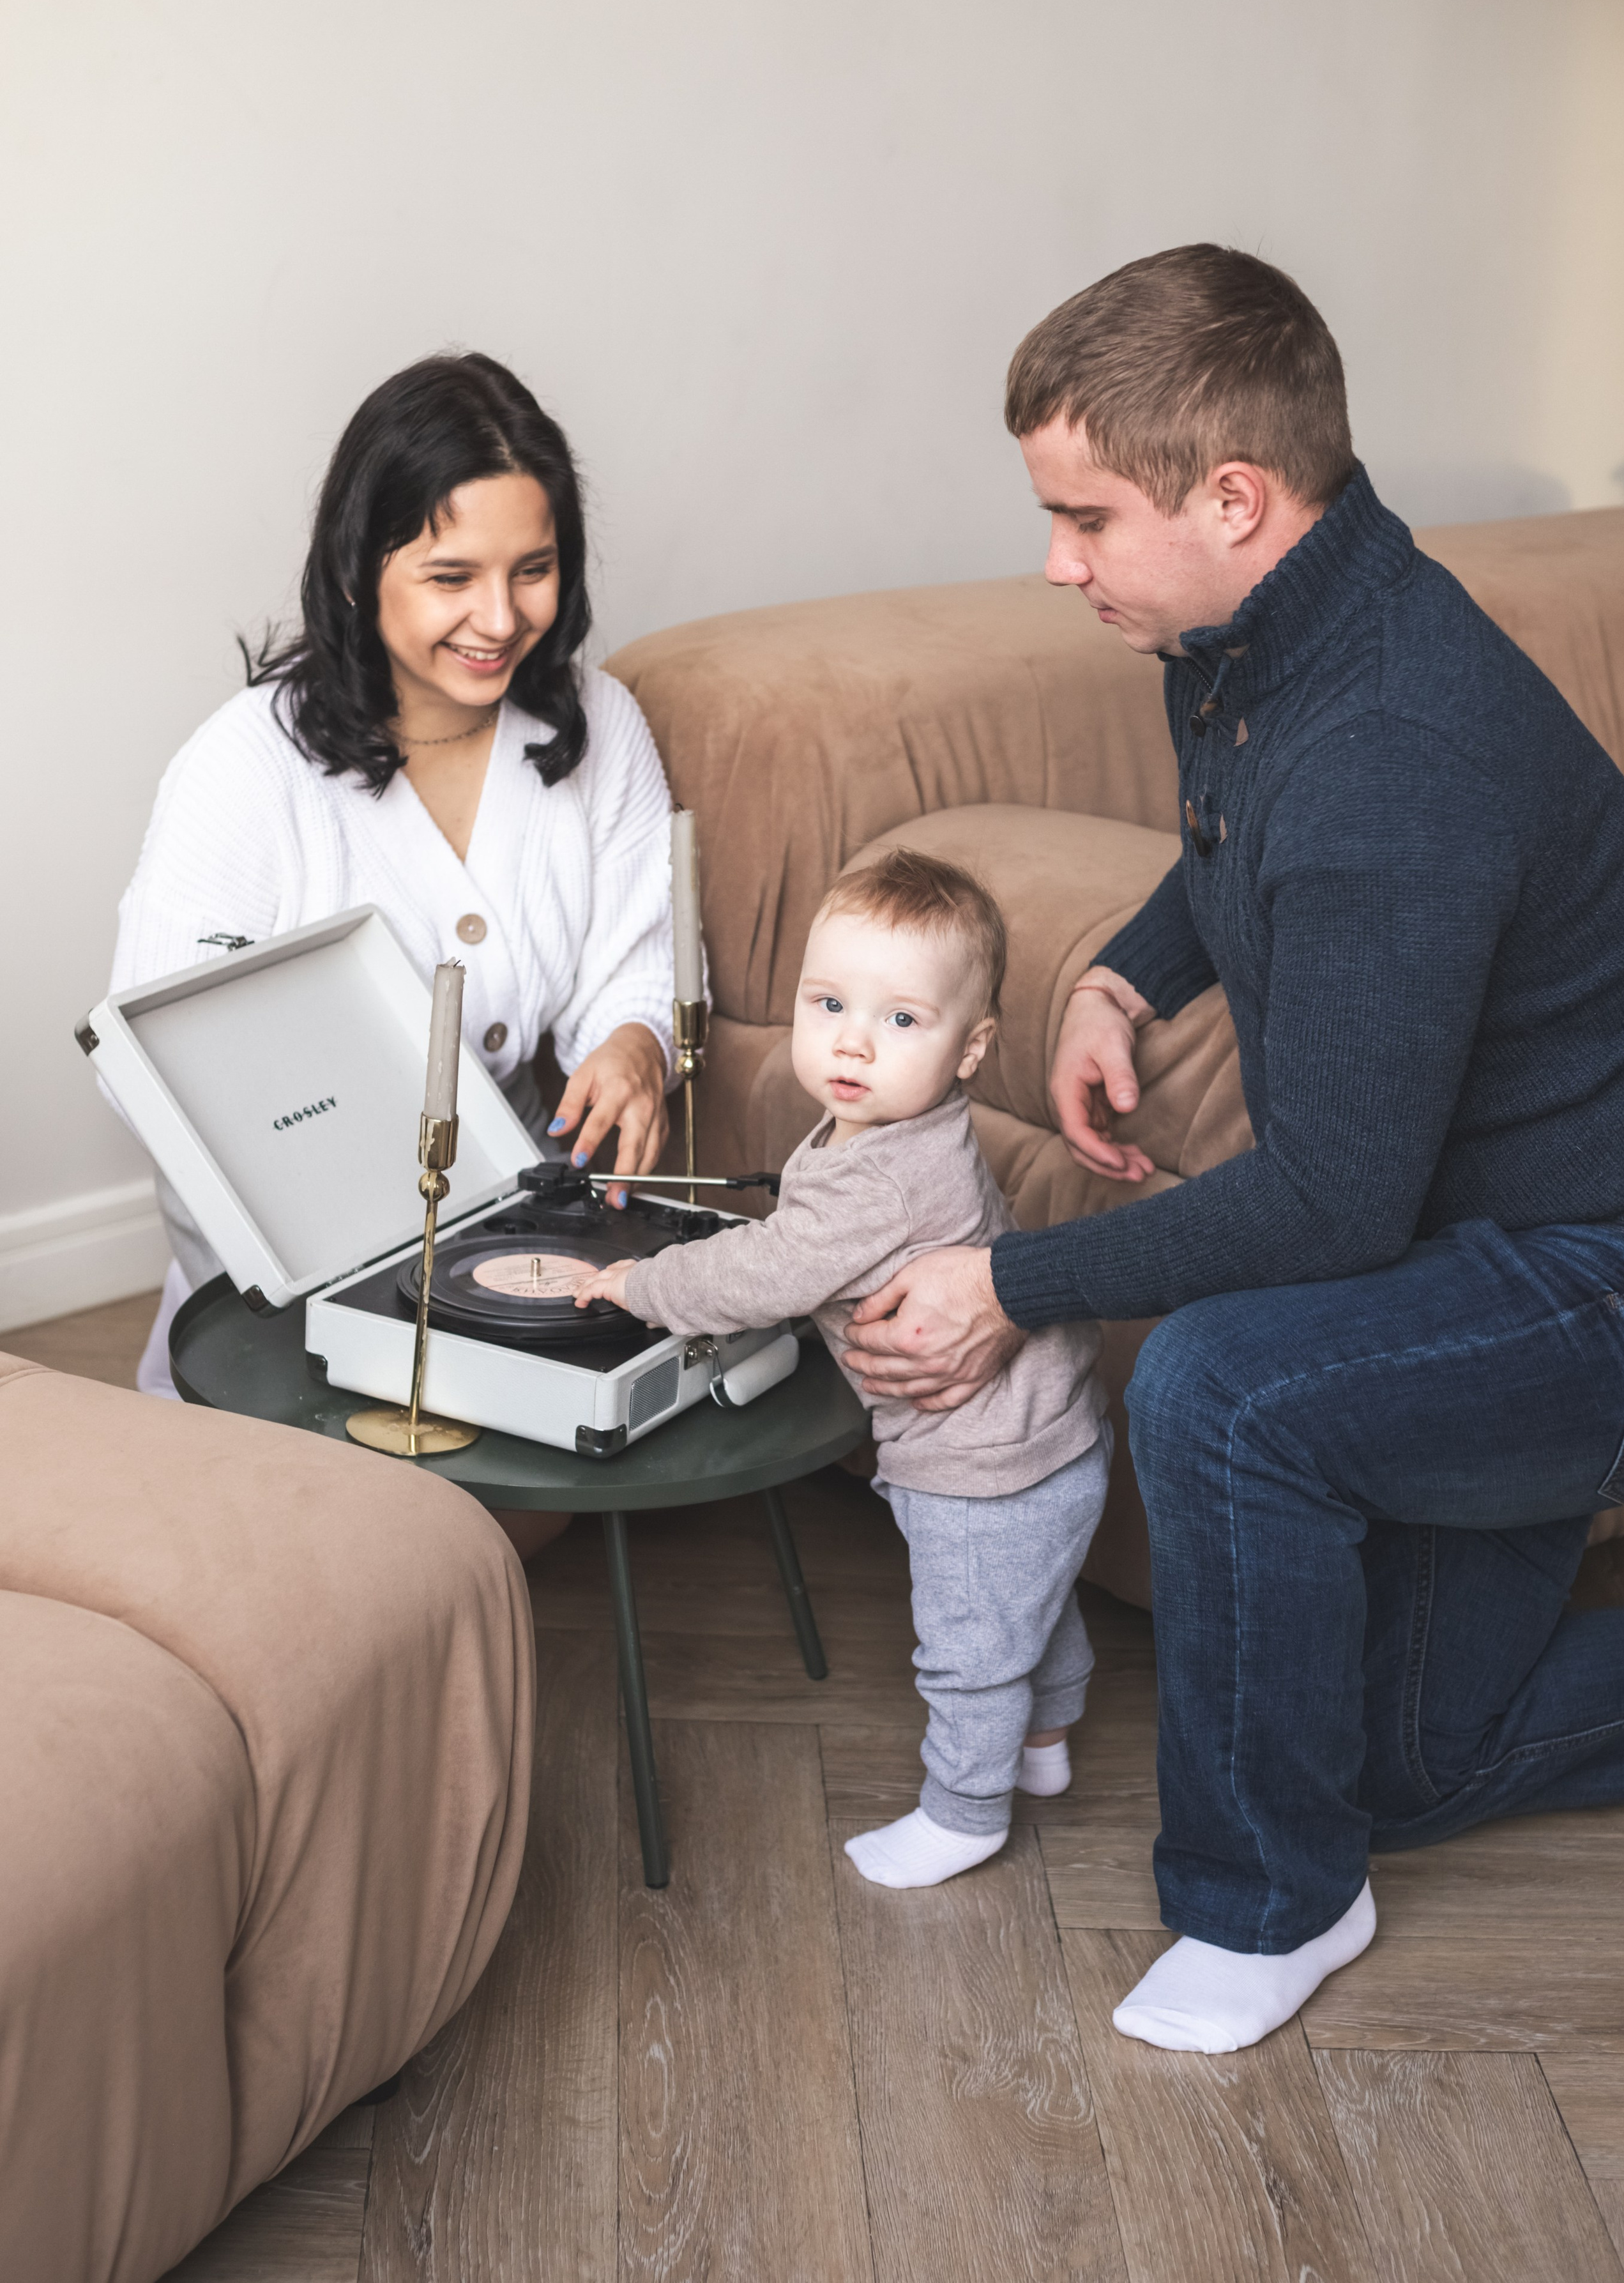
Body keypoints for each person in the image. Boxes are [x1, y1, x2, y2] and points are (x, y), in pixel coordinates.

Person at [842, 244, 1624, 2049]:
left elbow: (1337, 1204)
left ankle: (1267, 1904)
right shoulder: (1251, 629)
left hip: (1597, 1273)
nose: (1058, 562)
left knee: (1221, 1385)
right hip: (1492, 1244)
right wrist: (1132, 966)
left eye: (1085, 519)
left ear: (1232, 496)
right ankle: (1337, 1829)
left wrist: (1005, 1279)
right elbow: (1234, 843)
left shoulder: (1395, 747)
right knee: (1415, 1760)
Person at [110, 353, 680, 1555]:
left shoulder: (601, 727)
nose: (501, 617)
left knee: (457, 1550)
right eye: (450, 576)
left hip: (513, 1264)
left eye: (535, 570)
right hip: (293, 1290)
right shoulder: (244, 769)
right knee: (343, 1553)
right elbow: (158, 1062)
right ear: (361, 568)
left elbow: (635, 964)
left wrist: (634, 1047)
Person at [576, 848, 1111, 1884]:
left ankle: (966, 1811)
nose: (853, 1042)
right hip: (1057, 1430)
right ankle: (1043, 1746)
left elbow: (764, 1269)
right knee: (1034, 1602)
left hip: (982, 1462)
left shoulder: (881, 1181)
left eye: (902, 1020)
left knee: (972, 1641)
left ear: (972, 1049)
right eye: (828, 1003)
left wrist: (638, 1286)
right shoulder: (906, 1128)